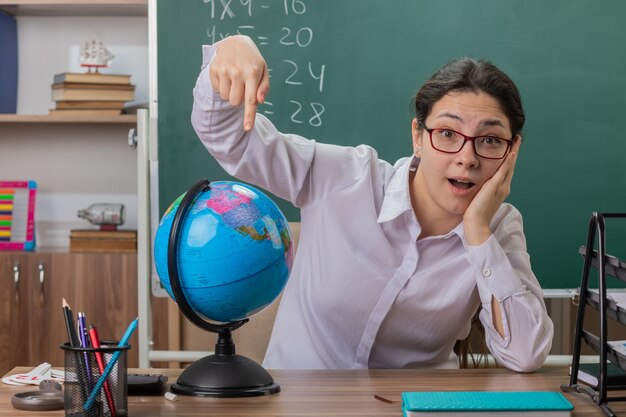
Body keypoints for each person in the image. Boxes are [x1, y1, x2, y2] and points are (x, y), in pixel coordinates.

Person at [191, 35, 554, 371]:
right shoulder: (344, 177)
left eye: (490, 140)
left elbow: (524, 354)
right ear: (418, 136)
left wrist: (477, 233)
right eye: (447, 133)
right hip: (299, 405)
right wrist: (230, 48)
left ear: (512, 151)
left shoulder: (499, 227)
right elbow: (227, 137)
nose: (467, 157)